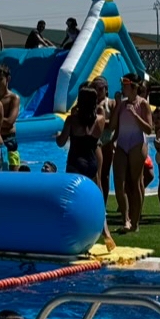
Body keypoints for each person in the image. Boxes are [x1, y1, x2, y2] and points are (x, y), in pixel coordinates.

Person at [56, 85, 116, 251]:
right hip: (92, 162)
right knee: (97, 197)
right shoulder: (100, 120)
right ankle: (106, 233)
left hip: (76, 162)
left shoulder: (72, 120)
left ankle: (72, 234)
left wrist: (57, 136)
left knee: (70, 200)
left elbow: (61, 142)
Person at [110, 73, 153, 233]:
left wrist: (135, 116)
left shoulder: (143, 104)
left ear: (133, 87)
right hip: (122, 144)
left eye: (125, 85)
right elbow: (112, 126)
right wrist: (117, 106)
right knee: (119, 183)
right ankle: (125, 219)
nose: (122, 88)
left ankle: (135, 222)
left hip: (137, 144)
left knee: (136, 183)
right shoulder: (121, 104)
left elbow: (149, 129)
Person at [91, 76, 116, 208]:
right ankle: (95, 203)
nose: (98, 91)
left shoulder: (110, 103)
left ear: (106, 89)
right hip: (95, 140)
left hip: (107, 141)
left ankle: (103, 204)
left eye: (100, 88)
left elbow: (114, 124)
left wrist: (101, 123)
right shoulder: (91, 102)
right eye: (95, 88)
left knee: (104, 175)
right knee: (95, 174)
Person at [0, 65, 21, 171]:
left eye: (0, 79)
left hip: (9, 140)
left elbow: (9, 122)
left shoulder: (13, 98)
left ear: (8, 79)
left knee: (13, 172)